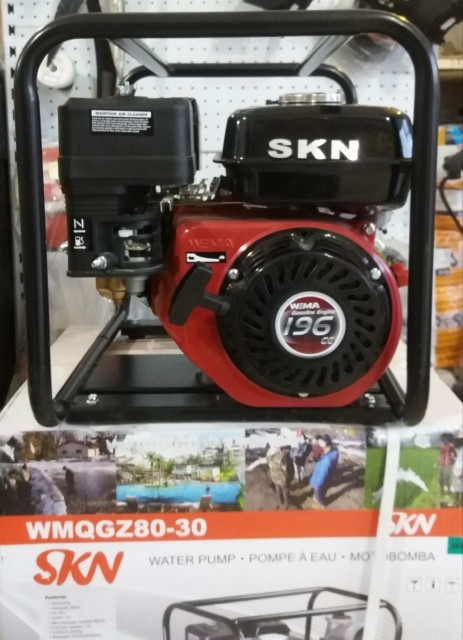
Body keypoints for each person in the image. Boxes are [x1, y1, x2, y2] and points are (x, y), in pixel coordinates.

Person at [307, 434, 339, 509]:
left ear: (327, 446)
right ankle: (319, 500)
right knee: (323, 490)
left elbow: (323, 473)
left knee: (317, 492)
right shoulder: (332, 453)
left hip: (321, 479)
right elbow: (323, 461)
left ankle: (321, 504)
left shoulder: (327, 459)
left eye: (323, 448)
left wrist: (317, 484)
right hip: (327, 477)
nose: (322, 450)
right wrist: (318, 459)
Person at [267, 436, 294, 510]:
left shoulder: (273, 454)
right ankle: (287, 504)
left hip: (274, 477)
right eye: (289, 450)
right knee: (285, 490)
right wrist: (289, 477)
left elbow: (269, 463)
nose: (289, 451)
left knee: (277, 488)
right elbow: (285, 469)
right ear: (285, 449)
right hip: (282, 478)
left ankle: (279, 501)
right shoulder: (284, 457)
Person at [436, 433, 456, 499]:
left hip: (448, 464)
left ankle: (449, 491)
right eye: (442, 439)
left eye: (444, 438)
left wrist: (453, 459)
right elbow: (440, 454)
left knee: (447, 477)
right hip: (441, 463)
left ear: (446, 438)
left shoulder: (451, 445)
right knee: (440, 478)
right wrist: (437, 463)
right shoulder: (441, 445)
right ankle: (442, 491)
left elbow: (454, 453)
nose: (443, 440)